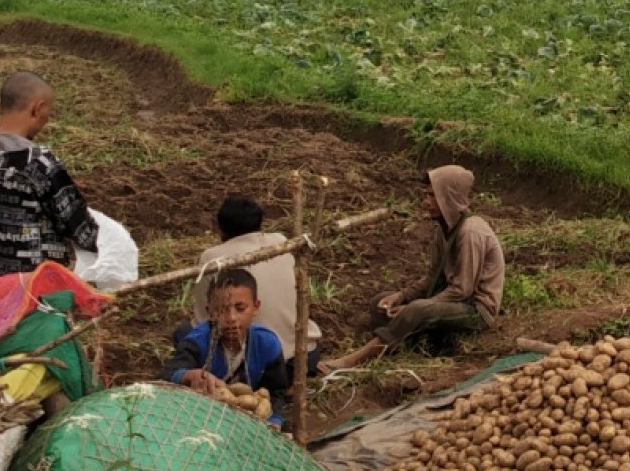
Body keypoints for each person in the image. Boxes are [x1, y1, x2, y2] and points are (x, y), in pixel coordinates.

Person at [320, 166, 504, 373]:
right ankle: (401, 344)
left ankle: (354, 360)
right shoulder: (442, 230)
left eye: (433, 196)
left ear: (449, 198)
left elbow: (463, 290)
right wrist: (400, 296)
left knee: (416, 310)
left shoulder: (471, 232)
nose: (426, 202)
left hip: (475, 310)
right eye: (427, 195)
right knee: (379, 302)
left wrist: (415, 306)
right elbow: (431, 278)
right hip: (452, 300)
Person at [0, 72, 98, 281]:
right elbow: (81, 230)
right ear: (37, 108)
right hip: (35, 290)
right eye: (48, 112)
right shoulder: (39, 163)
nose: (47, 120)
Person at [190, 196, 319, 359]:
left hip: (257, 362)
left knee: (184, 332)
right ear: (260, 224)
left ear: (221, 229)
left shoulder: (212, 258)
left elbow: (205, 318)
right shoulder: (281, 242)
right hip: (305, 353)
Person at [166, 268, 293, 428]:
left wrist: (274, 421)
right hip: (205, 417)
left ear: (256, 307)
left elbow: (276, 392)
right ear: (210, 313)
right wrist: (189, 375)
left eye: (240, 309)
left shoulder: (267, 344)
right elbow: (166, 375)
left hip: (249, 419)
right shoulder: (198, 343)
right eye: (220, 310)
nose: (231, 318)